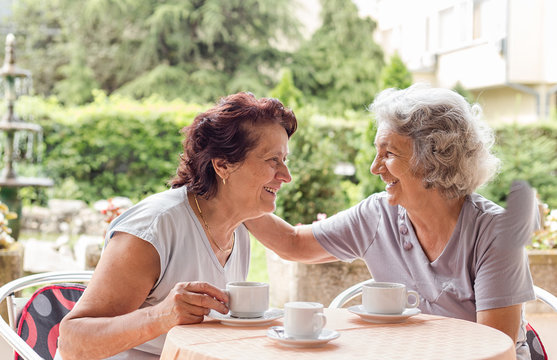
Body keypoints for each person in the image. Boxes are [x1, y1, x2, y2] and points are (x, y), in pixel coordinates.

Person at [245, 84, 538, 359]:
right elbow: (294, 243)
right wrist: (238, 195)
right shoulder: (378, 215)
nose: (375, 168)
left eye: (389, 154)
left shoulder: (495, 233)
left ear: (434, 161)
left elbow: (494, 349)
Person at [57, 92, 297, 359]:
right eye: (272, 160)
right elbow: (71, 342)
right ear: (223, 165)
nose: (286, 176)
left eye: (285, 160)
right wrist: (160, 316)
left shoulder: (238, 227)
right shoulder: (154, 228)